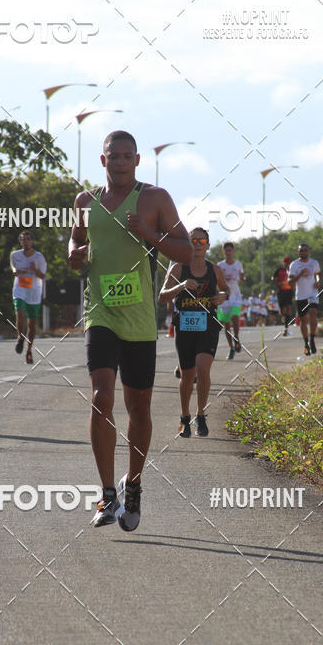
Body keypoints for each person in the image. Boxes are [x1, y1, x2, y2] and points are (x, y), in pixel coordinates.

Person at [68, 131, 192, 531]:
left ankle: (133, 483)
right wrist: (74, 255)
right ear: (102, 160)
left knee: (139, 408)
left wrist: (150, 235)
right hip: (100, 312)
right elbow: (76, 242)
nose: (119, 162)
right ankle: (107, 494)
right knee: (101, 398)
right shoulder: (85, 202)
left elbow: (186, 250)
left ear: (137, 160)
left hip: (139, 319)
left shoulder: (155, 199)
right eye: (113, 156)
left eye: (126, 156)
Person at [159, 227, 228, 438]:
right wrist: (180, 286)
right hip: (185, 327)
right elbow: (162, 296)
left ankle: (201, 415)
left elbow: (226, 289)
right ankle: (185, 416)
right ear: (188, 244)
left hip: (208, 325)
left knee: (202, 368)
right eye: (193, 241)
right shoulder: (178, 269)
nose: (198, 244)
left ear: (208, 246)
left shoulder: (215, 270)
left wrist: (223, 296)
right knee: (187, 375)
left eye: (202, 241)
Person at [10, 230, 47, 364]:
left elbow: (43, 276)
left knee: (32, 324)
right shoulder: (15, 255)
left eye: (28, 239)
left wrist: (34, 269)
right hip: (20, 289)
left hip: (34, 291)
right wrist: (15, 271)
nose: (26, 242)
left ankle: (29, 350)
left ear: (32, 241)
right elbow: (13, 266)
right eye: (23, 239)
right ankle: (20, 337)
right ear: (20, 242)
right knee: (20, 315)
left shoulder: (39, 257)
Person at [288, 243, 320, 356]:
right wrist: (300, 274)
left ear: (309, 251)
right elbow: (290, 283)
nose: (303, 252)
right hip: (301, 295)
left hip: (312, 294)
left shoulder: (314, 263)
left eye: (305, 250)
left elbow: (318, 274)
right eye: (301, 250)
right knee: (303, 320)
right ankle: (306, 344)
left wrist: (318, 281)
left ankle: (312, 339)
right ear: (298, 252)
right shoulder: (294, 265)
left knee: (313, 314)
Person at [217, 242, 245, 359]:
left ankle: (236, 338)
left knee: (235, 317)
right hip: (224, 296)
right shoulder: (220, 265)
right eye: (226, 250)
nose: (228, 252)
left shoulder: (238, 264)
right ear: (223, 252)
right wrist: (223, 280)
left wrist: (241, 278)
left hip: (235, 295)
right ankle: (231, 348)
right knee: (227, 325)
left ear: (233, 251)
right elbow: (217, 281)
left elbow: (241, 278)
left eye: (230, 250)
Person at [272, 256, 293, 335]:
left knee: (288, 308)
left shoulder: (291, 270)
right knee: (282, 310)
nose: (286, 264)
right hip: (281, 291)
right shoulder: (279, 270)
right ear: (283, 263)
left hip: (289, 291)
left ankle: (286, 327)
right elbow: (273, 278)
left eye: (288, 263)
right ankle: (284, 316)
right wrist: (278, 283)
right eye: (285, 263)